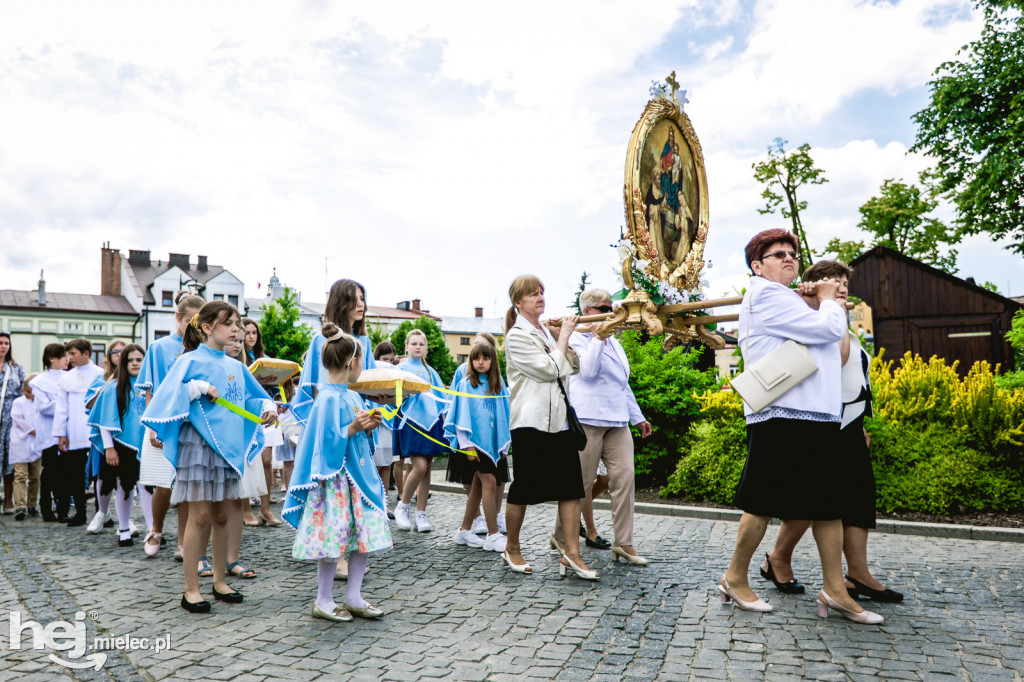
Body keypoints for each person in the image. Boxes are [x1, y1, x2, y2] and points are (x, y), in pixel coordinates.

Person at [720, 228, 882, 624]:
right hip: (781, 413)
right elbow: (827, 330)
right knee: (761, 502)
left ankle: (835, 590)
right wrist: (827, 301)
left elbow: (837, 351)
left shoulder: (793, 300)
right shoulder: (765, 293)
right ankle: (734, 577)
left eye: (792, 253)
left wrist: (817, 301)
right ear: (758, 265)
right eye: (778, 254)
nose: (789, 258)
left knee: (827, 506)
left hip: (818, 414)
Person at [760, 260, 903, 604]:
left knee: (857, 498)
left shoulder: (840, 324)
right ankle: (777, 558)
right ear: (814, 286)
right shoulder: (817, 323)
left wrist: (860, 424)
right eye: (833, 282)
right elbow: (837, 360)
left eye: (844, 282)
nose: (842, 287)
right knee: (812, 502)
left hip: (849, 422)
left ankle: (858, 573)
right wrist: (832, 311)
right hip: (820, 422)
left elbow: (854, 376)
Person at [142, 301, 277, 613]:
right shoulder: (188, 361)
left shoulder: (236, 366)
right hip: (199, 446)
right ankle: (191, 588)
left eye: (238, 324)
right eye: (228, 323)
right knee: (199, 515)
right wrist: (197, 387)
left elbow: (255, 396)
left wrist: (268, 408)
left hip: (227, 448)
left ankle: (219, 581)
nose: (236, 330)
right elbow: (167, 396)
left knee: (221, 515)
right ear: (206, 327)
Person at [283, 323, 390, 623]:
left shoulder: (351, 395)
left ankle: (354, 596)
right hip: (335, 483)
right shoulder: (328, 397)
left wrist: (367, 425)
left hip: (357, 480)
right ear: (352, 362)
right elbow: (326, 442)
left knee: (362, 535)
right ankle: (324, 599)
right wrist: (354, 427)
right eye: (361, 362)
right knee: (334, 539)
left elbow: (353, 436)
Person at [502, 275, 596, 580]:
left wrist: (559, 338)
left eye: (541, 293)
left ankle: (572, 554)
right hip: (530, 422)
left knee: (570, 488)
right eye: (532, 295)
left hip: (559, 423)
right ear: (518, 302)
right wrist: (564, 337)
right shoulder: (517, 336)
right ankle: (512, 548)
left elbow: (575, 366)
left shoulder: (544, 331)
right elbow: (549, 370)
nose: (540, 298)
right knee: (524, 488)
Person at [557, 287, 652, 565]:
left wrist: (638, 417)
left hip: (618, 420)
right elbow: (587, 371)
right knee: (582, 484)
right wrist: (598, 337)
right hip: (588, 419)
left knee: (625, 479)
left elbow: (622, 384)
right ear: (587, 312)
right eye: (604, 308)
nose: (611, 312)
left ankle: (624, 543)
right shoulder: (573, 338)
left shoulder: (615, 342)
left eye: (612, 306)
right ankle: (561, 534)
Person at [292, 279, 375, 579]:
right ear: (341, 303)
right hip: (333, 426)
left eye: (364, 298)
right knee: (332, 494)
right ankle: (332, 552)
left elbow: (370, 383)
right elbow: (315, 388)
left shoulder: (364, 343)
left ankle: (354, 547)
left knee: (354, 496)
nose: (361, 305)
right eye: (355, 299)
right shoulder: (321, 341)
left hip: (358, 423)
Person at [136, 293, 204, 558]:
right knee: (162, 484)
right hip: (161, 420)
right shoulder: (160, 347)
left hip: (189, 422)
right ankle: (156, 528)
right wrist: (153, 426)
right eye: (190, 321)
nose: (194, 327)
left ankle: (184, 542)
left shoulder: (201, 348)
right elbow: (151, 389)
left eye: (199, 322)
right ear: (178, 317)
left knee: (185, 484)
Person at [444, 342, 510, 553]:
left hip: (493, 444)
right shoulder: (466, 384)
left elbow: (503, 415)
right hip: (473, 444)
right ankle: (493, 534)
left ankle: (464, 530)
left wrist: (504, 445)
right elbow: (461, 415)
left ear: (493, 361)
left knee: (479, 487)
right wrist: (467, 445)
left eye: (486, 358)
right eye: (476, 358)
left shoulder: (498, 385)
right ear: (471, 361)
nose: (481, 362)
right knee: (489, 481)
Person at [87, 344, 146, 547]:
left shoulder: (149, 386)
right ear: (123, 363)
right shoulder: (113, 387)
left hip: (145, 444)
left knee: (148, 486)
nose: (135, 363)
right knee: (124, 485)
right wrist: (109, 447)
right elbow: (105, 418)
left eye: (139, 359)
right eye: (130, 360)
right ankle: (123, 529)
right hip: (121, 445)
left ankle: (154, 528)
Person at [392, 329, 447, 533]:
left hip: (432, 422)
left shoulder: (432, 371)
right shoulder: (400, 368)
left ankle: (421, 514)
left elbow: (442, 395)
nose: (417, 347)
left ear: (426, 348)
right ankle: (403, 505)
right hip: (411, 421)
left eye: (421, 344)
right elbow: (392, 396)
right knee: (420, 466)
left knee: (427, 468)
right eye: (413, 344)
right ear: (406, 346)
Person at [51, 338, 104, 526]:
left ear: (86, 354)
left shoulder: (101, 374)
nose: (69, 358)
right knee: (75, 474)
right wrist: (61, 434)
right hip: (74, 432)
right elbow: (61, 408)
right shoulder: (66, 378)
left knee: (100, 475)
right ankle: (80, 513)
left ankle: (102, 513)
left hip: (97, 432)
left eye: (73, 354)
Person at [84, 338, 129, 533]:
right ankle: (102, 512)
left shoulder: (135, 378)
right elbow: (90, 404)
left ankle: (125, 520)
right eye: (115, 352)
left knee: (127, 478)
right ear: (109, 357)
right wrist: (109, 384)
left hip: (127, 436)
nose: (119, 355)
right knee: (103, 476)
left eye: (123, 352)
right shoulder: (102, 378)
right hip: (105, 437)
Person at [240, 317, 281, 526]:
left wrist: (276, 400)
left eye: (254, 332)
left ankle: (266, 510)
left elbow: (274, 390)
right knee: (248, 460)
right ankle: (246, 510)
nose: (250, 336)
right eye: (247, 332)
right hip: (247, 415)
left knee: (267, 462)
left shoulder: (264, 358)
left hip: (267, 414)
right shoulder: (236, 358)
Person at [29, 343, 69, 521]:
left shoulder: (69, 377)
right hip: (49, 432)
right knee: (50, 471)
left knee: (65, 472)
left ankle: (63, 509)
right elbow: (44, 407)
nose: (67, 359)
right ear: (52, 358)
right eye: (63, 356)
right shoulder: (39, 382)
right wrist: (65, 404)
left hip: (67, 432)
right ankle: (46, 508)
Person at [1, 331, 27, 514]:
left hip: (11, 418)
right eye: (1, 343)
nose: (3, 346)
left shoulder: (16, 368)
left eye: (6, 343)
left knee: (10, 458)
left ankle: (9, 501)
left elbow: (23, 391)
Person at [10, 374, 41, 520]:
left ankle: (32, 503)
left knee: (35, 476)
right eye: (26, 390)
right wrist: (33, 431)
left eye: (30, 391)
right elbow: (18, 420)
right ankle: (20, 505)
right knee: (20, 475)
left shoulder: (40, 402)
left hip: (36, 444)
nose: (27, 394)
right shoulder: (18, 402)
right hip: (21, 442)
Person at [371, 341, 398, 512]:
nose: (388, 363)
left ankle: (385, 502)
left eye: (391, 360)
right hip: (374, 423)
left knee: (387, 465)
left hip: (389, 424)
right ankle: (373, 500)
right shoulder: (370, 374)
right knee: (375, 465)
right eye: (384, 359)